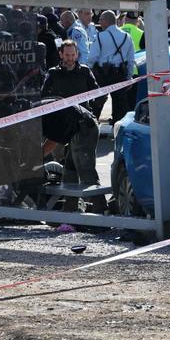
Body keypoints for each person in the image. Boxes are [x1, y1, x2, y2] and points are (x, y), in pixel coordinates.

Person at [41, 40, 105, 212]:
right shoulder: (53, 74)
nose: (70, 59)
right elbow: (44, 95)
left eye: (73, 55)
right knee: (69, 170)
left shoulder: (84, 72)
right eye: (67, 55)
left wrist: (93, 115)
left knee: (86, 170)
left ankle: (99, 210)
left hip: (83, 125)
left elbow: (100, 95)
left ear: (77, 54)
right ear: (61, 55)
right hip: (66, 124)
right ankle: (71, 209)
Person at [89, 10, 137, 125]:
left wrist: (89, 73)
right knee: (120, 104)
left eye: (100, 20)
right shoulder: (127, 36)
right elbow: (131, 60)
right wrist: (129, 77)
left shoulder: (100, 36)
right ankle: (119, 129)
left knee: (97, 102)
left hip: (102, 74)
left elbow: (92, 57)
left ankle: (91, 127)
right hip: (120, 74)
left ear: (106, 21)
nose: (99, 22)